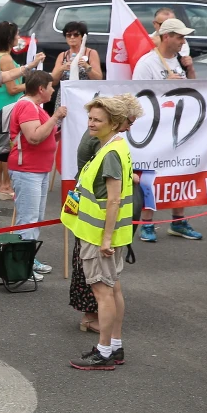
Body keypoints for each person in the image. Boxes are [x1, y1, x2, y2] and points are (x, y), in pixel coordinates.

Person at [64, 95, 139, 371]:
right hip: (105, 234)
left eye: (97, 120)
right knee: (112, 288)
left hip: (98, 236)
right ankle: (114, 347)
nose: (91, 124)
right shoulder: (115, 147)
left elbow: (113, 200)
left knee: (102, 292)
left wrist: (105, 239)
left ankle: (105, 351)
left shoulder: (110, 153)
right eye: (90, 118)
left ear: (115, 123)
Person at [132, 17, 202, 242]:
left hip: (180, 128)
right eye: (180, 36)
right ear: (167, 37)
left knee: (179, 172)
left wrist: (190, 70)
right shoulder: (147, 63)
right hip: (154, 131)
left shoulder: (181, 60)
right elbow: (138, 97)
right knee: (150, 175)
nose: (183, 41)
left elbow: (195, 88)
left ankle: (178, 220)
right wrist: (164, 86)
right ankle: (147, 223)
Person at [8, 70, 67, 279]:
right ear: (41, 89)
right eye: (51, 87)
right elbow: (33, 137)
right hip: (27, 171)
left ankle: (28, 259)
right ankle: (21, 264)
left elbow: (42, 135)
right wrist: (56, 118)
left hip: (37, 170)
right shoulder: (26, 106)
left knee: (35, 218)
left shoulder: (34, 107)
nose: (53, 90)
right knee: (29, 218)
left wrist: (58, 130)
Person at [0, 22, 24, 200]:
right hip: (8, 107)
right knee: (9, 149)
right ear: (9, 37)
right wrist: (30, 82)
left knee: (2, 147)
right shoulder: (6, 59)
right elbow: (13, 89)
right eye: (16, 34)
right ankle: (6, 186)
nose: (18, 37)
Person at [51, 21, 103, 110]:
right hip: (66, 96)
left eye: (76, 35)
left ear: (82, 37)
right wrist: (62, 68)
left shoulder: (91, 53)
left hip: (85, 95)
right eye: (68, 35)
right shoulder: (62, 55)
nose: (72, 37)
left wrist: (86, 66)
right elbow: (53, 81)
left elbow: (98, 78)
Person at [148, 8, 195, 79]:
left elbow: (191, 84)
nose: (183, 42)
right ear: (155, 24)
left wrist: (190, 69)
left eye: (173, 23)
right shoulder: (145, 60)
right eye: (163, 24)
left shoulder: (181, 44)